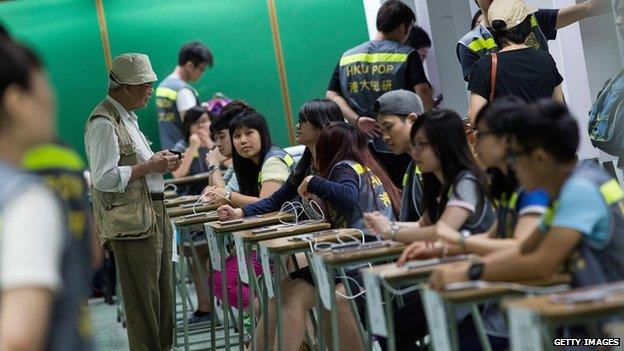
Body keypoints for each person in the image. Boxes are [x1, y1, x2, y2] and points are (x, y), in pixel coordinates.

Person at [430, 100, 624, 310]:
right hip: (593, 312)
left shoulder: (580, 189)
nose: (512, 164)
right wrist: (470, 266)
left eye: (515, 155)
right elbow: (525, 249)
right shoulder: (565, 187)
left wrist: (467, 273)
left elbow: (541, 263)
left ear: (539, 157)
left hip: (612, 330)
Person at [254, 122, 401, 351]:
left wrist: (314, 181)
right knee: (283, 293)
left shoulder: (344, 167)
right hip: (356, 255)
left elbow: (347, 197)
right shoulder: (363, 167)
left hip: (366, 259)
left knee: (301, 297)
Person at [363, 109, 496, 350]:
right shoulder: (440, 183)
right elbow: (423, 225)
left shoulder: (467, 181)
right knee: (388, 330)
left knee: (394, 332)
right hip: (454, 278)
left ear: (445, 144)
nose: (415, 152)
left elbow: (441, 231)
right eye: (414, 145)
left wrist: (390, 230)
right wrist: (385, 225)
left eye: (421, 145)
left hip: (477, 285)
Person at [85, 53, 182, 351]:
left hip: (153, 213)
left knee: (164, 300)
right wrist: (150, 167)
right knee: (144, 306)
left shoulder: (127, 118)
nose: (150, 90)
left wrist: (158, 164)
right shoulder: (103, 121)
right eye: (145, 85)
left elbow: (137, 166)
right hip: (133, 223)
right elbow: (102, 178)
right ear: (125, 87)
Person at [0, 40, 93, 351]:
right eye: (43, 84)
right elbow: (19, 338)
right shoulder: (28, 200)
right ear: (16, 102)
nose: (52, 97)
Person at [326, 0, 433, 188]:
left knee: (382, 194)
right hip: (402, 144)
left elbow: (332, 95)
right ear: (402, 27)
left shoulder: (348, 56)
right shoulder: (406, 54)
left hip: (363, 144)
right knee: (411, 189)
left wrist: (358, 120)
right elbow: (422, 92)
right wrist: (431, 126)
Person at [206, 107, 295, 311]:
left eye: (249, 133)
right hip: (264, 238)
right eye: (237, 136)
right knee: (217, 274)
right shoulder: (249, 164)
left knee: (222, 280)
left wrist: (227, 197)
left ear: (262, 132)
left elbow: (266, 204)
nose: (242, 140)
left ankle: (269, 326)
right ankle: (266, 327)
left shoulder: (273, 161)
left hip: (283, 240)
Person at [218, 98, 345, 221]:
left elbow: (349, 196)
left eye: (302, 121)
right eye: (237, 136)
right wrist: (240, 212)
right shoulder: (306, 165)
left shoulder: (344, 164)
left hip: (351, 237)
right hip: (320, 236)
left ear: (323, 125)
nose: (297, 126)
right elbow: (273, 201)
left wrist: (314, 182)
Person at [458, 0, 610, 82]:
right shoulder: (469, 43)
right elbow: (480, 95)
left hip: (551, 116)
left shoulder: (531, 19)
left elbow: (588, 8)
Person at [466, 0, 565, 123]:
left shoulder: (484, 66)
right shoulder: (546, 59)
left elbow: (475, 116)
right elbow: (559, 107)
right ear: (527, 26)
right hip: (544, 138)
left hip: (508, 139)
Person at [373, 89, 425, 222]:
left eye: (389, 127)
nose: (385, 137)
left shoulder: (438, 161)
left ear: (412, 120)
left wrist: (390, 230)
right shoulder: (413, 166)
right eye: (382, 130)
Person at [156, 41, 213, 149]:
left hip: (169, 151)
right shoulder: (184, 91)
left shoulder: (163, 86)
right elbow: (195, 129)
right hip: (188, 156)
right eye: (202, 69)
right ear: (190, 65)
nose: (202, 73)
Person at [171, 105, 214, 195]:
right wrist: (192, 147)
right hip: (189, 195)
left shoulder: (218, 141)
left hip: (216, 191)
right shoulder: (181, 146)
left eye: (204, 121)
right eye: (195, 122)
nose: (200, 125)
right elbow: (178, 175)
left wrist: (211, 145)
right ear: (188, 126)